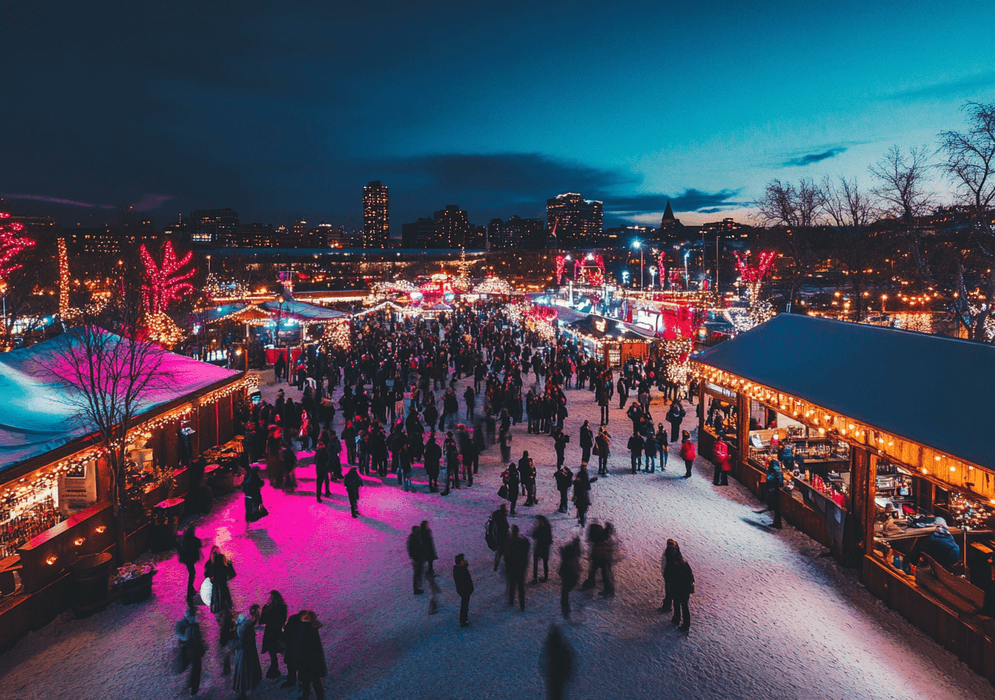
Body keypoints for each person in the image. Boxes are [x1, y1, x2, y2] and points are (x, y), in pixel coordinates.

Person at [231, 609, 263, 699]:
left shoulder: (241, 629)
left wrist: (231, 645)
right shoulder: (249, 627)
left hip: (243, 654)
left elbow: (241, 643)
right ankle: (251, 684)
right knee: (249, 670)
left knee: (242, 671)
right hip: (250, 652)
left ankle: (242, 692)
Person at [175, 605, 205, 696]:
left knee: (195, 671)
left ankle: (193, 689)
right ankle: (189, 688)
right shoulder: (182, 625)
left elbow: (198, 637)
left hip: (194, 651)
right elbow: (183, 637)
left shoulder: (194, 625)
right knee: (190, 671)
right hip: (188, 651)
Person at [297, 611, 327, 700]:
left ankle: (308, 695)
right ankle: (319, 696)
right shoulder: (312, 628)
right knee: (314, 679)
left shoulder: (305, 628)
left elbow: (302, 644)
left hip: (306, 658)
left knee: (307, 679)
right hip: (314, 659)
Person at [259, 590, 287, 679]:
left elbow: (262, 621)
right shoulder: (283, 608)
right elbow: (283, 620)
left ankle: (274, 670)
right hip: (278, 632)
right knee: (279, 650)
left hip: (270, 633)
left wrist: (264, 611)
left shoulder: (269, 609)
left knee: (272, 653)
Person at [543, 624, 574, 700]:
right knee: (558, 693)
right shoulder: (562, 647)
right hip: (558, 675)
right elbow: (568, 661)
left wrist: (546, 671)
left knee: (553, 693)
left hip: (553, 674)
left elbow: (543, 661)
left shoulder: (550, 646)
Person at [204, 546, 236, 619]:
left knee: (218, 605)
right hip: (223, 587)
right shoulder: (223, 564)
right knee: (226, 603)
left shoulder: (211, 564)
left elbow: (207, 575)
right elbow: (232, 574)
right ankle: (227, 616)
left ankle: (221, 617)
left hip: (216, 588)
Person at [505, 525, 530, 611]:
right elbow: (527, 549)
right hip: (521, 568)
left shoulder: (509, 542)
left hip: (512, 568)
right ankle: (522, 605)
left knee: (512, 585)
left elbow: (507, 557)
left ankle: (511, 601)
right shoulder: (522, 542)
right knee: (521, 587)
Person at [669, 550, 695, 632]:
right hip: (684, 590)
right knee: (684, 606)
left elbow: (671, 578)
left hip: (679, 589)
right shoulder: (685, 564)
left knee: (678, 604)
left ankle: (677, 619)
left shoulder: (674, 566)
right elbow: (691, 578)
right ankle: (685, 624)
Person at [558, 537, 582, 619]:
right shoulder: (574, 559)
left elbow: (560, 572)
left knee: (564, 595)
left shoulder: (566, 563)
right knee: (565, 593)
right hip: (573, 579)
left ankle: (566, 611)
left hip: (568, 580)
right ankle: (567, 609)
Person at [177, 526, 202, 601]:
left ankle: (191, 589)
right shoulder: (193, 540)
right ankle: (190, 590)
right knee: (192, 573)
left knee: (191, 573)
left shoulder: (182, 540)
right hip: (190, 559)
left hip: (186, 559)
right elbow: (199, 544)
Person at [658, 539, 681, 613]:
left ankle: (667, 606)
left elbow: (664, 564)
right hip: (674, 575)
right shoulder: (677, 552)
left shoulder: (668, 553)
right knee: (671, 591)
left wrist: (663, 572)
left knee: (668, 591)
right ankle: (668, 605)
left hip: (669, 575)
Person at [453, 553, 474, 628]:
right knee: (464, 605)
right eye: (463, 560)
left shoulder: (457, 569)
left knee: (464, 604)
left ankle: (464, 619)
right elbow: (465, 580)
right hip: (465, 590)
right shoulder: (461, 570)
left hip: (463, 590)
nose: (465, 561)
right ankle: (463, 620)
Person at [531, 515, 553, 583]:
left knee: (544, 563)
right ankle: (536, 577)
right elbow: (534, 535)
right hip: (541, 547)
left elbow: (549, 540)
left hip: (542, 547)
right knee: (537, 562)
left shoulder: (543, 528)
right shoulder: (544, 527)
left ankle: (543, 577)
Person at [492, 503, 510, 571]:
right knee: (503, 551)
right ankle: (497, 565)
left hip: (499, 536)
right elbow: (506, 526)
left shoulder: (496, 515)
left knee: (499, 552)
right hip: (503, 536)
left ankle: (496, 565)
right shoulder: (502, 517)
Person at [407, 525, 426, 594]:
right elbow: (411, 549)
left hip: (418, 558)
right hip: (417, 558)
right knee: (417, 573)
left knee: (418, 572)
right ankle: (416, 589)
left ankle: (418, 586)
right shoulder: (412, 539)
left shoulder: (414, 537)